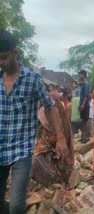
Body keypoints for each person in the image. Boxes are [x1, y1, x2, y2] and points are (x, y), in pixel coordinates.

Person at [0, 30, 68, 214]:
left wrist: (61, 138)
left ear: (15, 52)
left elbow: (50, 107)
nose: (1, 63)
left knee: (16, 205)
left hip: (21, 150)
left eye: (4, 57)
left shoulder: (33, 79)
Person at [31, 91, 74, 188]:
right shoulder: (43, 113)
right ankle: (55, 180)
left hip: (55, 146)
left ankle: (60, 181)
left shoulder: (63, 121)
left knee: (35, 160)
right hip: (48, 144)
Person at [78, 69, 90, 143]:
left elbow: (86, 96)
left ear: (83, 75)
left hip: (85, 105)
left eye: (80, 74)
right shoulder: (83, 84)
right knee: (82, 121)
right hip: (82, 105)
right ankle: (83, 136)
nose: (79, 76)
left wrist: (82, 105)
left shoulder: (86, 84)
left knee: (85, 121)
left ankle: (86, 137)